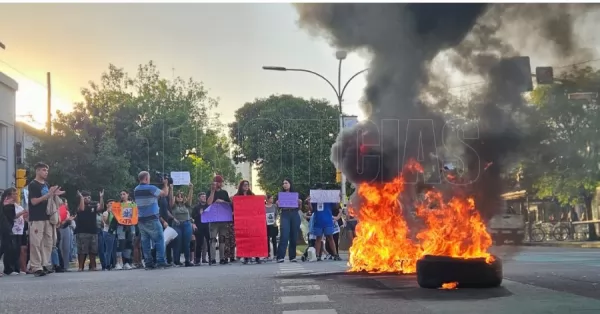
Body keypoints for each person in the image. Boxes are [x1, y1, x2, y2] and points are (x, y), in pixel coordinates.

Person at [27, 162, 65, 277]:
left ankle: (44, 263)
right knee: (36, 243)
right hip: (37, 217)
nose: (46, 172)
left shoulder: (46, 184)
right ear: (37, 171)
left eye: (47, 170)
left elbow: (50, 199)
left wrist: (54, 195)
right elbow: (34, 201)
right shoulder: (33, 184)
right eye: (43, 170)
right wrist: (48, 195)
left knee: (48, 242)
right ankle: (36, 267)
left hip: (48, 218)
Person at [134, 171, 170, 270]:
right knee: (159, 239)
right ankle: (160, 261)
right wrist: (165, 184)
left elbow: (152, 197)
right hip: (152, 218)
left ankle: (148, 263)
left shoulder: (136, 189)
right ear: (146, 178)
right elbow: (165, 193)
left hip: (141, 220)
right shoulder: (151, 188)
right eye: (149, 178)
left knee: (145, 242)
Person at [306, 183, 342, 261]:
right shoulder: (315, 200)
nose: (319, 193)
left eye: (321, 191)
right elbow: (312, 210)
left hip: (328, 221)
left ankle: (335, 255)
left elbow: (336, 207)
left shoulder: (328, 199)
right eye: (317, 192)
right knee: (318, 239)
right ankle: (317, 256)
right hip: (318, 221)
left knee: (330, 238)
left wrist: (338, 200)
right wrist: (309, 202)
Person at [0, 188, 28, 275]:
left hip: (15, 229)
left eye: (16, 194)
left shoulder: (15, 205)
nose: (16, 196)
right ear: (8, 195)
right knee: (8, 248)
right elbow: (11, 216)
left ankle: (15, 268)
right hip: (7, 228)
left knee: (15, 249)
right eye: (14, 194)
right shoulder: (6, 205)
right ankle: (9, 269)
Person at [75, 190, 104, 271]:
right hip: (82, 231)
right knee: (82, 251)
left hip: (93, 231)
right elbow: (82, 208)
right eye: (86, 197)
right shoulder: (79, 206)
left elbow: (101, 207)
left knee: (93, 251)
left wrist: (101, 198)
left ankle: (93, 266)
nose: (88, 199)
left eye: (89, 197)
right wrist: (81, 198)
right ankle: (81, 267)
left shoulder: (93, 206)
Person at [207, 175, 232, 265]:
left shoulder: (224, 193)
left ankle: (222, 258)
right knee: (213, 239)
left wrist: (222, 202)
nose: (221, 184)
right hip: (213, 220)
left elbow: (229, 204)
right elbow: (208, 203)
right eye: (220, 182)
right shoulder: (209, 192)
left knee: (222, 239)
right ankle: (212, 258)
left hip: (223, 219)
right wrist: (213, 191)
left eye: (221, 182)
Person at [276, 178, 302, 263]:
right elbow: (278, 207)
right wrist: (277, 203)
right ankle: (280, 256)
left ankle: (292, 257)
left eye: (286, 183)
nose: (284, 185)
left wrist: (300, 202)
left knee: (294, 236)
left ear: (290, 184)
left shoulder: (296, 194)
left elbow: (300, 208)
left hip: (294, 214)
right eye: (283, 183)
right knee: (284, 235)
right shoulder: (280, 195)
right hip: (285, 214)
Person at [234, 180, 260, 264]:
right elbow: (234, 208)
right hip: (242, 221)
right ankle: (246, 257)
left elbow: (256, 207)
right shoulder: (237, 196)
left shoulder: (252, 195)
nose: (246, 186)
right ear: (241, 186)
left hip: (251, 221)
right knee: (244, 239)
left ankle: (257, 256)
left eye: (247, 185)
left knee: (253, 239)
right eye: (244, 185)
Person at [169, 184, 194, 267]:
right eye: (178, 196)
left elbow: (190, 199)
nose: (180, 197)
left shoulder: (186, 205)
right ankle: (176, 260)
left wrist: (191, 189)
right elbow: (170, 201)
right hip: (177, 225)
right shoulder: (174, 206)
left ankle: (187, 260)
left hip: (186, 224)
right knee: (177, 243)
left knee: (186, 243)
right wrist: (171, 189)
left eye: (181, 196)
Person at [192, 192, 212, 265]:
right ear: (199, 198)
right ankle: (197, 260)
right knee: (199, 243)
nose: (204, 198)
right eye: (202, 196)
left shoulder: (208, 206)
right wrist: (198, 215)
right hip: (199, 226)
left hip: (207, 226)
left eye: (205, 196)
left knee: (209, 242)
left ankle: (211, 258)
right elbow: (192, 217)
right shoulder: (196, 207)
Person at [265, 194, 279, 261]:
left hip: (273, 224)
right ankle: (267, 254)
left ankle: (275, 254)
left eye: (272, 198)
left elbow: (276, 214)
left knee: (274, 240)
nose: (272, 200)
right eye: (271, 198)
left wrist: (275, 220)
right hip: (266, 225)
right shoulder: (263, 206)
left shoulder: (274, 206)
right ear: (267, 199)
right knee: (266, 240)